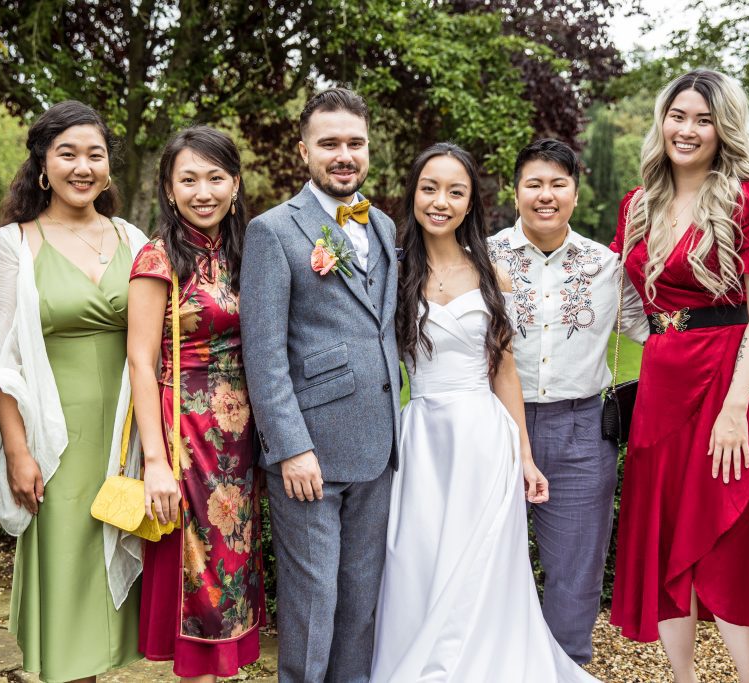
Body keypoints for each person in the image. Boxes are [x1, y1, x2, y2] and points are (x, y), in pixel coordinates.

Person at [370, 142, 597, 682]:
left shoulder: (493, 275)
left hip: (483, 440)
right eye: (430, 188)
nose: (441, 201)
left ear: (470, 203)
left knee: (484, 568)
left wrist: (524, 455)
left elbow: (504, 370)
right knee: (419, 560)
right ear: (414, 195)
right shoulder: (392, 276)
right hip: (423, 438)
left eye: (456, 191)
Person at [610, 69, 749, 682]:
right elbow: (621, 298)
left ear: (724, 130)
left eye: (703, 119)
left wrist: (734, 408)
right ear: (661, 121)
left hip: (731, 380)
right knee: (664, 536)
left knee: (730, 543)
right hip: (664, 382)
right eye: (678, 116)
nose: (688, 130)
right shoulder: (638, 204)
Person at [0, 101, 149, 683]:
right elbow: (2, 361)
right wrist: (19, 452)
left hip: (127, 433)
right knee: (69, 582)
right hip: (57, 440)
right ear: (42, 165)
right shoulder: (13, 244)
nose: (83, 167)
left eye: (95, 155)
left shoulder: (132, 237)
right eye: (68, 154)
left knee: (112, 589)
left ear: (108, 167)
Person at [240, 88, 401, 682]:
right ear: (303, 149)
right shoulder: (273, 230)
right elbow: (264, 351)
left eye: (354, 143)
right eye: (329, 143)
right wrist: (289, 447)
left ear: (368, 149)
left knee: (362, 605)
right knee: (313, 609)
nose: (343, 155)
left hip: (380, 448)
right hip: (310, 454)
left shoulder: (383, 225)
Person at [488, 138, 649, 664]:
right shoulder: (483, 256)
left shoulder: (607, 264)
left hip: (581, 429)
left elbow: (648, 327)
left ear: (576, 195)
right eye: (534, 184)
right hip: (494, 427)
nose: (546, 195)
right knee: (486, 561)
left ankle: (567, 664)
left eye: (558, 184)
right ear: (515, 193)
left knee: (576, 566)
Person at [128, 125, 264, 681]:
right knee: (198, 579)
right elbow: (139, 360)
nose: (203, 191)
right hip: (186, 432)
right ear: (168, 187)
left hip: (240, 437)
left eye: (215, 177)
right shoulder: (158, 259)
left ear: (235, 185)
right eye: (189, 179)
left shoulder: (248, 252)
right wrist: (156, 461)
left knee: (233, 572)